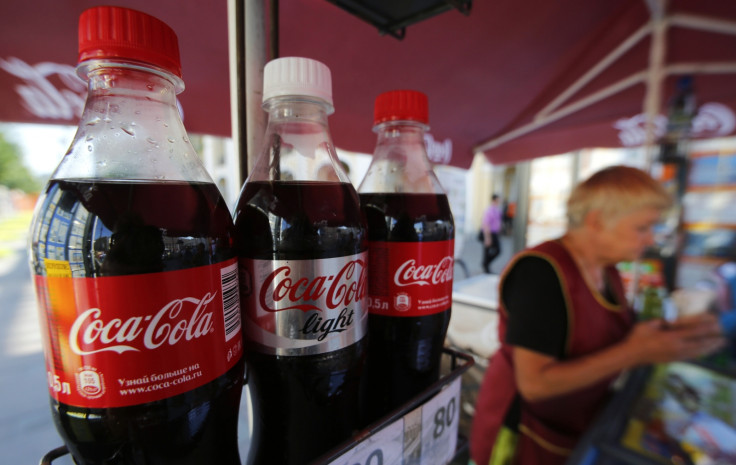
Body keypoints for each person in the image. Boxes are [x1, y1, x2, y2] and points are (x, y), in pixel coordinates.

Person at [470, 165, 725, 465]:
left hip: (574, 423)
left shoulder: (608, 270)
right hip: (522, 433)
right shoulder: (541, 272)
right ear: (597, 221)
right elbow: (535, 384)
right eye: (642, 228)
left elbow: (619, 336)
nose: (650, 240)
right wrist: (635, 352)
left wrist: (674, 333)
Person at [482, 194, 503, 273]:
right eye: (497, 200)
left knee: (497, 251)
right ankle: (486, 266)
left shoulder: (497, 210)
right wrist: (487, 237)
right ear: (493, 200)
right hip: (489, 233)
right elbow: (486, 224)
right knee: (487, 251)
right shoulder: (489, 210)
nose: (498, 202)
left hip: (495, 233)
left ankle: (486, 263)